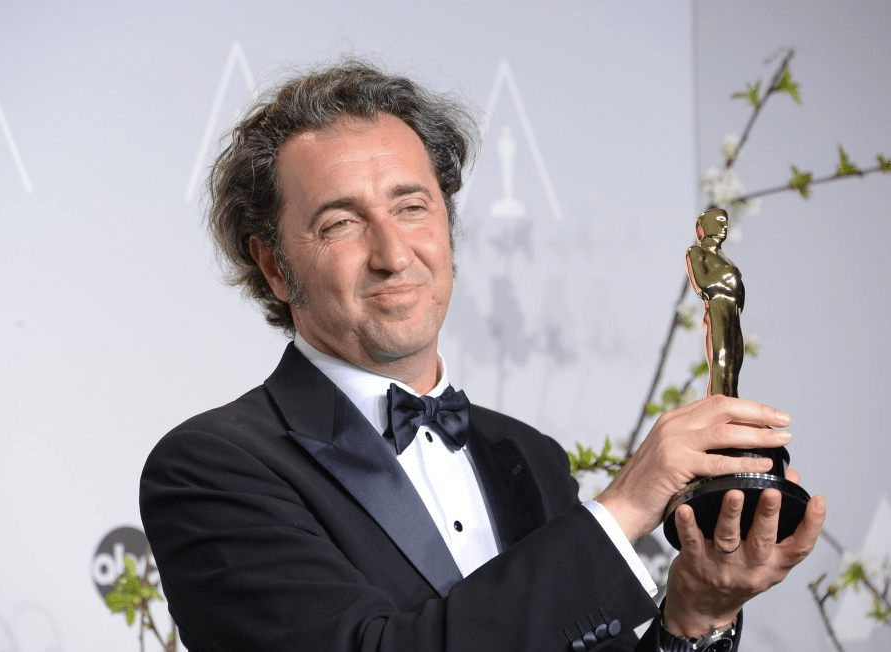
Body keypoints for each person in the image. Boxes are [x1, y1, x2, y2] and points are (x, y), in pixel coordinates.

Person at [140, 60, 825, 651]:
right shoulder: (210, 470)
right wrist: (622, 510)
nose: (392, 254)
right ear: (274, 266)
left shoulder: (529, 456)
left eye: (412, 207)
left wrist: (696, 614)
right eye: (342, 222)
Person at [686, 208, 745, 397]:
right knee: (721, 356)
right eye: (719, 221)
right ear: (703, 227)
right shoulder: (697, 252)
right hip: (716, 307)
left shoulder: (725, 258)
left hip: (732, 310)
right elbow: (703, 283)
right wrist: (729, 274)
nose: (724, 225)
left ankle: (731, 400)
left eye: (725, 222)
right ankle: (718, 399)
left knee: (735, 357)